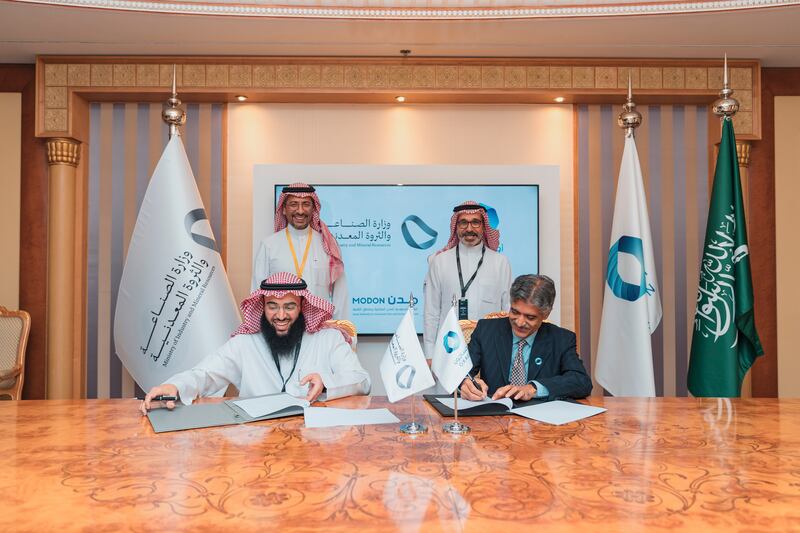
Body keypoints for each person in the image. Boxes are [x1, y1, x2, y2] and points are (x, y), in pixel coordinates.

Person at [141, 272, 370, 413]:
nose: (280, 315)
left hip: (314, 440)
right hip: (256, 441)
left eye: (289, 306)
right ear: (262, 307)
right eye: (272, 306)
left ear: (302, 307)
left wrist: (326, 382)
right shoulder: (244, 343)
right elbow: (204, 374)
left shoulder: (327, 339)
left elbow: (362, 381)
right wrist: (174, 386)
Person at [460, 274, 592, 401]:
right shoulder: (486, 330)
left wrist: (533, 388)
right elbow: (461, 372)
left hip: (541, 420)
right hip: (493, 415)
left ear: (545, 314)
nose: (520, 322)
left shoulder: (561, 339)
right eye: (515, 312)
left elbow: (581, 381)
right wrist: (466, 383)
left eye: (530, 317)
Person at [423, 200, 512, 356]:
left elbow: (508, 308)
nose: (469, 228)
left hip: (490, 346)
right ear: (456, 227)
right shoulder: (439, 261)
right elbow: (431, 311)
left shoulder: (500, 262)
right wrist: (430, 354)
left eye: (475, 223)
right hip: (449, 347)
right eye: (463, 223)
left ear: (484, 227)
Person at [252, 182, 350, 320]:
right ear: (284, 209)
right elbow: (257, 294)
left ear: (313, 209)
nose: (300, 211)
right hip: (282, 330)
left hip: (320, 332)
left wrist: (341, 331)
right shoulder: (269, 245)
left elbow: (341, 295)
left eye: (306, 204)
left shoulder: (327, 245)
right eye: (293, 204)